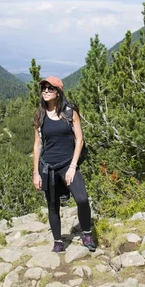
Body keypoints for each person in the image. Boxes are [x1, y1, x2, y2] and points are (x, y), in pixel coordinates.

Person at [32, 75, 96, 253]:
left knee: (82, 199)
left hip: (68, 163)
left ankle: (87, 234)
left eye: (50, 88)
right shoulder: (40, 115)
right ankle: (58, 241)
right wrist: (35, 173)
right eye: (44, 88)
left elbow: (80, 139)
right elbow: (37, 145)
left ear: (58, 92)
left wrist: (73, 166)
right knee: (53, 205)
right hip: (48, 166)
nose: (45, 91)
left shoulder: (70, 111)